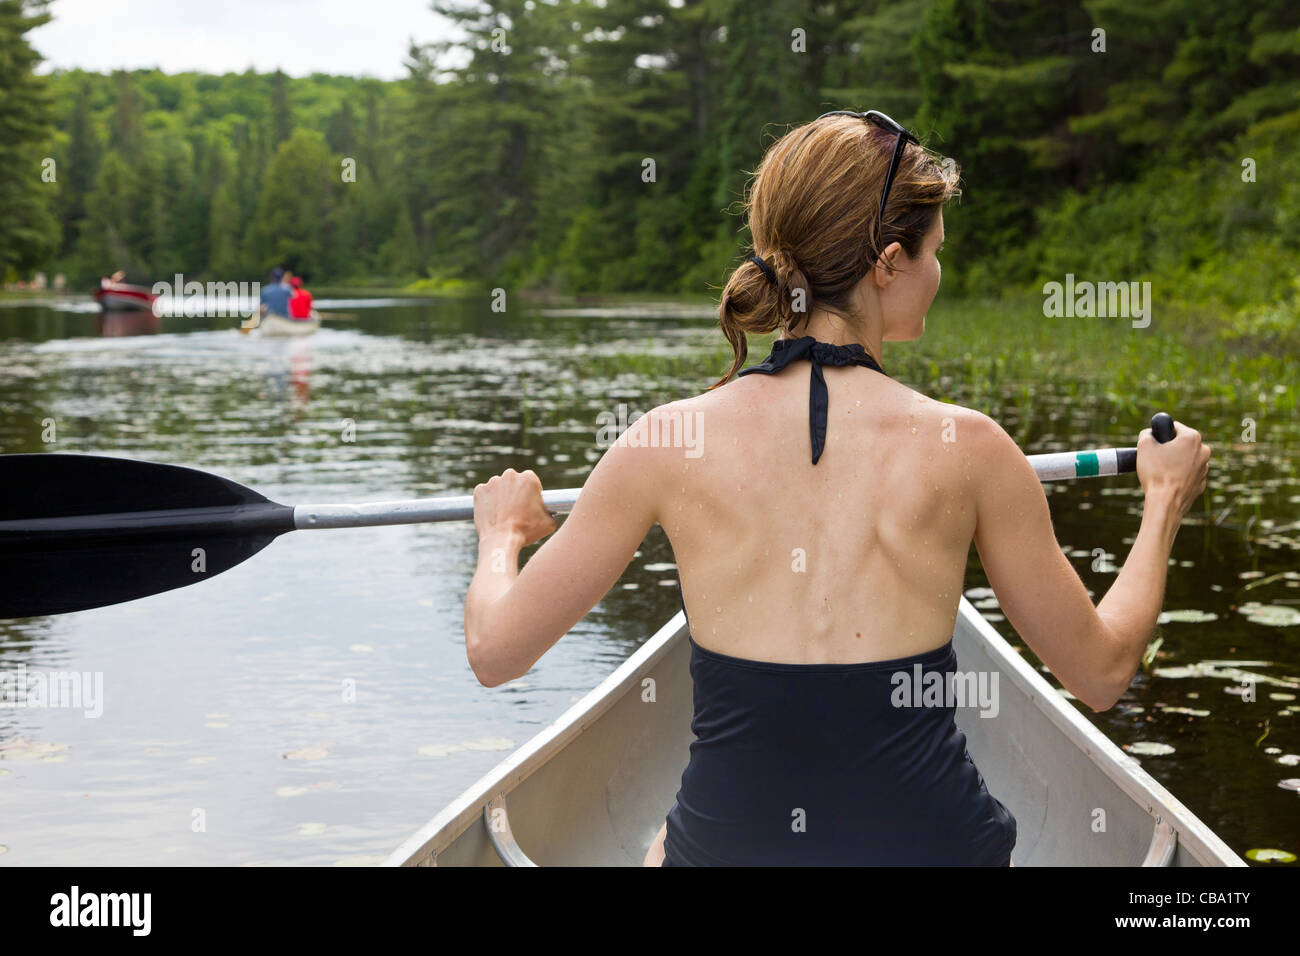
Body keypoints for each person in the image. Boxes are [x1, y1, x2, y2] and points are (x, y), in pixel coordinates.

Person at [463, 110, 1211, 866]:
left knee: (666, 846)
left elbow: (495, 651)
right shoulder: (975, 450)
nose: (939, 273)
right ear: (889, 261)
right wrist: (1161, 504)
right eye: (935, 252)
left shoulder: (661, 442)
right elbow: (1103, 672)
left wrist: (501, 538)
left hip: (729, 853)